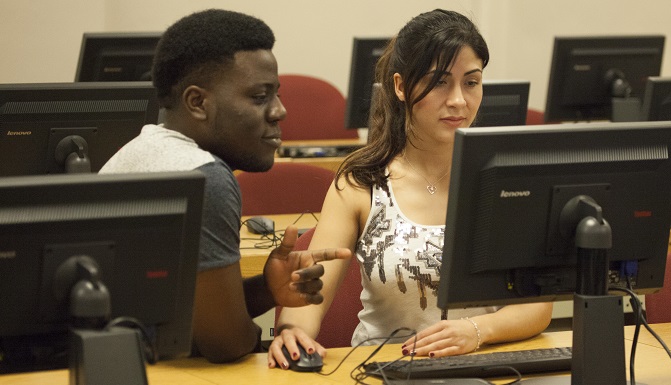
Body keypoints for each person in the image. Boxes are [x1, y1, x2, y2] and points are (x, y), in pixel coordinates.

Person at [269, 9, 552, 367]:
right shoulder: (361, 182)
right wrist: (293, 331)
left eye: (471, 82)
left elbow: (538, 306)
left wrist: (476, 330)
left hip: (490, 367)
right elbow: (313, 288)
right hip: (385, 371)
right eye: (439, 82)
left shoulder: (505, 181)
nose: (459, 101)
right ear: (401, 86)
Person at [99, 9, 351, 364]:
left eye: (276, 95)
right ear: (198, 102)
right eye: (260, 97)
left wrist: (266, 290)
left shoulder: (142, 147)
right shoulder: (205, 178)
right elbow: (227, 345)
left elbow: (182, 315)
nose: (279, 111)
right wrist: (254, 336)